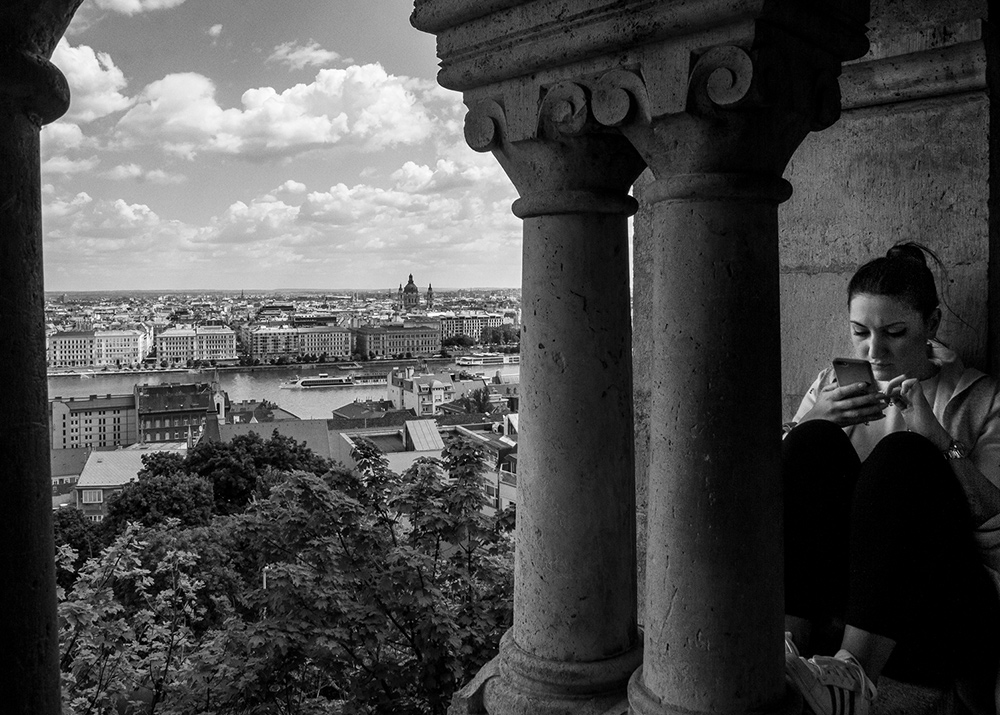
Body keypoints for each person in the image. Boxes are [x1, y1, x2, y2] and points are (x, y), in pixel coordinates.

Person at [781, 243, 1000, 715]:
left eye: (894, 333)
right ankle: (785, 647)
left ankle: (854, 676)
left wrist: (939, 440)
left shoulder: (980, 397)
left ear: (932, 325)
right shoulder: (833, 384)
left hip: (940, 603)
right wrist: (810, 421)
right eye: (860, 333)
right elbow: (777, 499)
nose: (874, 351)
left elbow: (994, 523)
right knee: (810, 441)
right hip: (844, 594)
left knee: (904, 455)